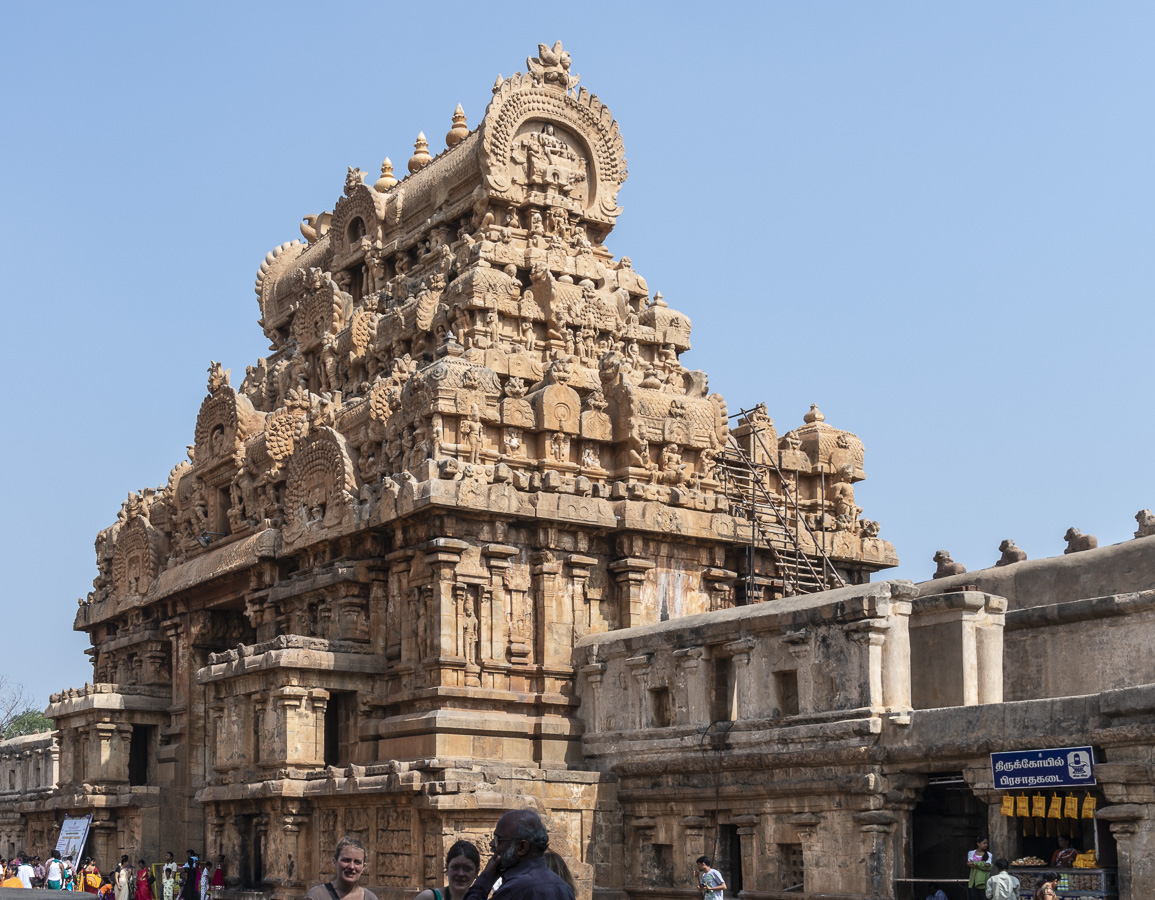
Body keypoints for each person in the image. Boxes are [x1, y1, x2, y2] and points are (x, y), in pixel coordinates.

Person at [463, 809, 575, 900]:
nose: (492, 844)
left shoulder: (515, 889)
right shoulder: (564, 888)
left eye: (498, 840)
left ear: (522, 847)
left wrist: (485, 879)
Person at [304, 836, 377, 900]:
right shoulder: (317, 896)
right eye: (346, 860)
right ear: (334, 862)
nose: (351, 867)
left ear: (363, 867)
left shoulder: (370, 898)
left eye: (357, 862)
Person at [414, 840, 480, 900]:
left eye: (467, 869)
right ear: (447, 867)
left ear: (476, 872)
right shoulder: (428, 897)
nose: (460, 874)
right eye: (455, 867)